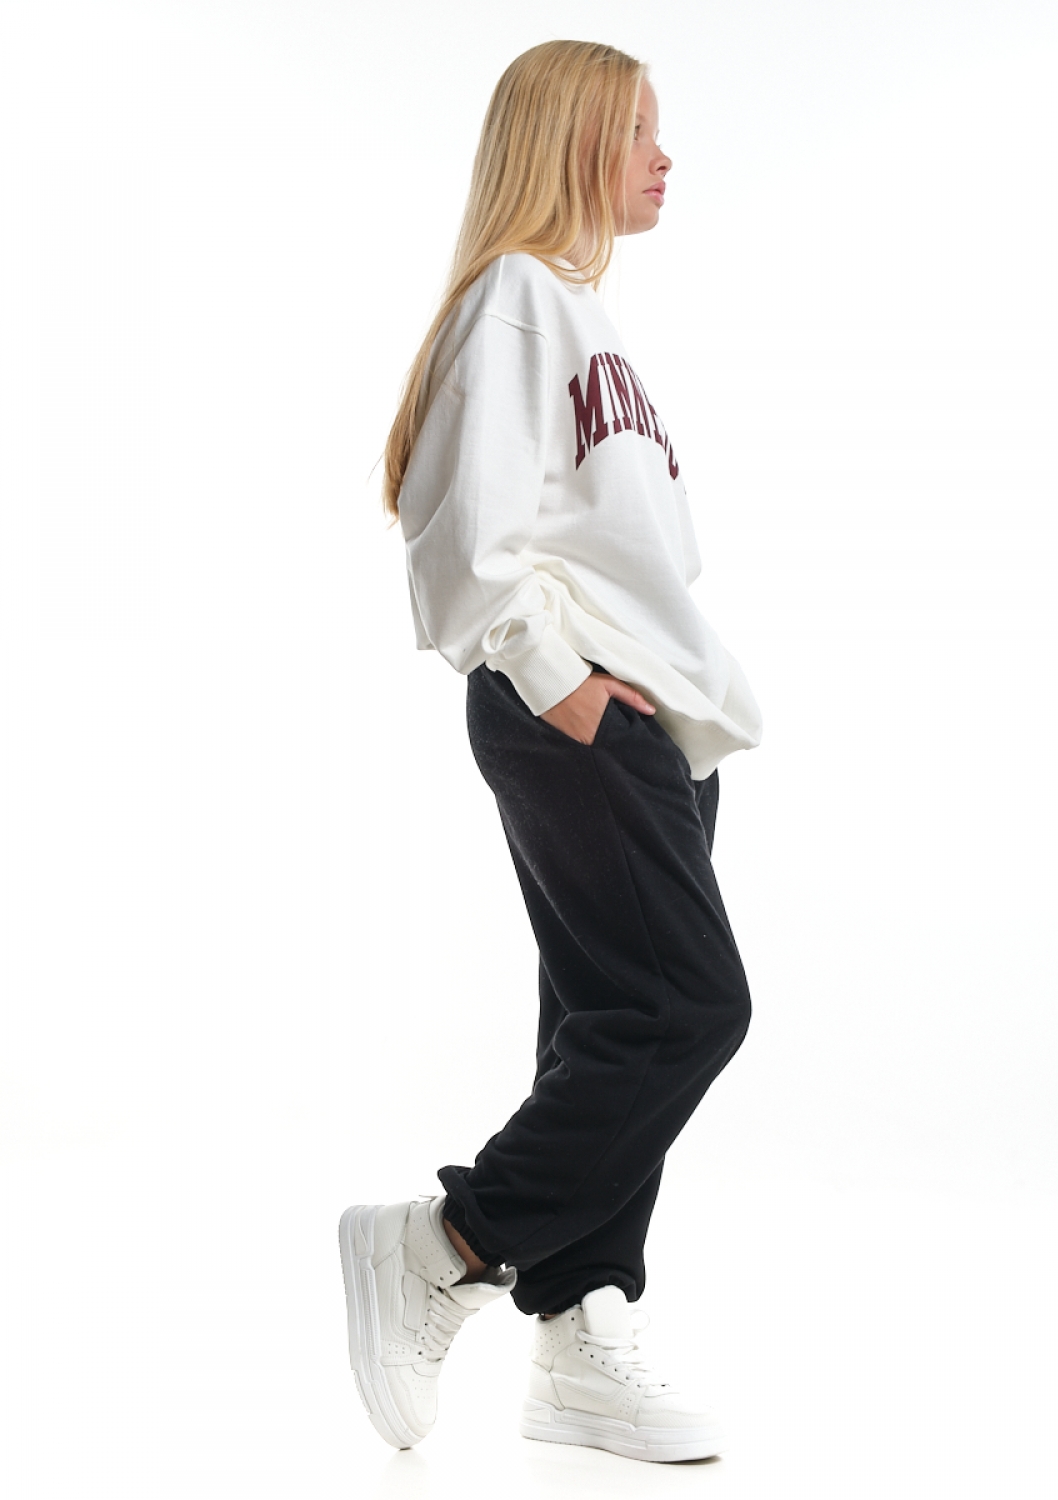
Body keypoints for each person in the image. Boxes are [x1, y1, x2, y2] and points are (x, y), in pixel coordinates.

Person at [339, 38, 763, 1464]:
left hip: (645, 717)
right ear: (571, 141)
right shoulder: (517, 299)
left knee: (605, 1019)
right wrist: (559, 681)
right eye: (637, 130)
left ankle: (581, 1326)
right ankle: (444, 1244)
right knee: (687, 1009)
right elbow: (456, 526)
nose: (663, 156)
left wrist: (644, 707)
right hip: (578, 707)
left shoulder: (583, 317)